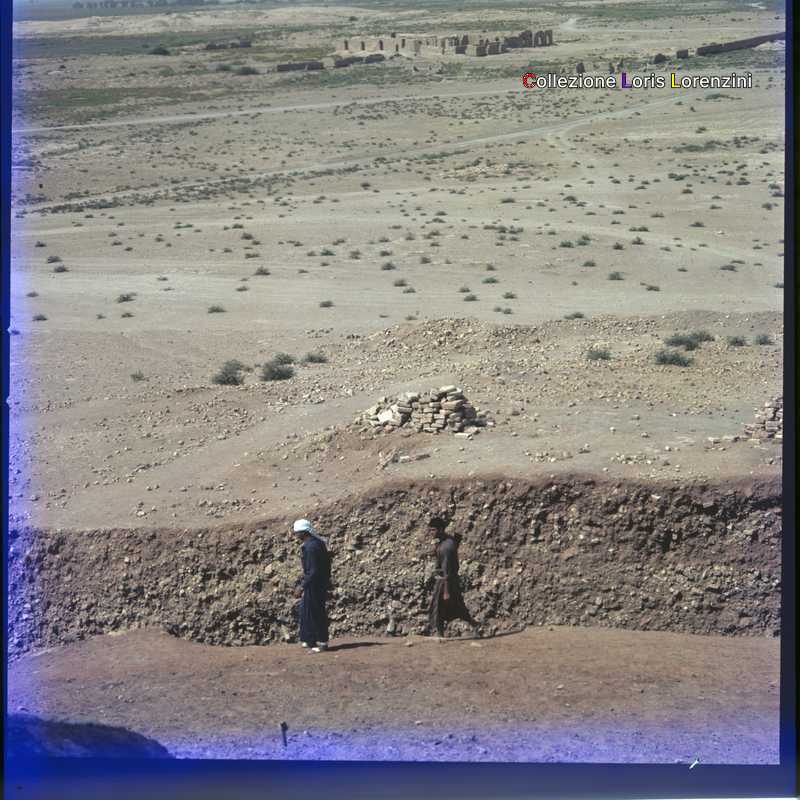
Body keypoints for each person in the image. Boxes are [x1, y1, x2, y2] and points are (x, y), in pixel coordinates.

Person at [427, 516, 480, 639]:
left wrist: (446, 591)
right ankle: (474, 624)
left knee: (438, 607)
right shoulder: (447, 541)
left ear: (441, 529)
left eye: (433, 530)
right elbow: (454, 542)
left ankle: (440, 634)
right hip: (450, 580)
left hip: (446, 581)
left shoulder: (446, 547)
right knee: (457, 606)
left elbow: (446, 570)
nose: (431, 533)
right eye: (430, 530)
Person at [292, 519, 331, 653]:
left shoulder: (310, 547)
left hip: (314, 585)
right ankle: (310, 640)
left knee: (315, 613)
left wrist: (302, 586)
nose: (295, 535)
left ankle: (321, 643)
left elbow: (313, 570)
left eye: (296, 533)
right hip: (318, 583)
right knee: (307, 611)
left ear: (303, 532)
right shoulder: (317, 543)